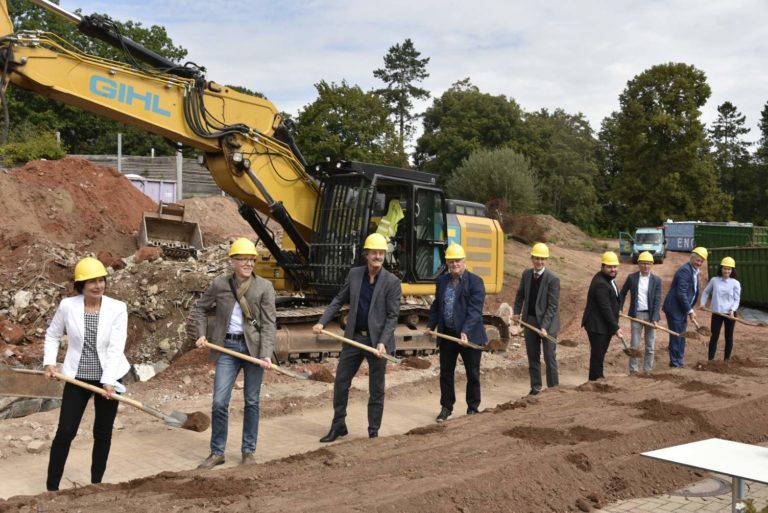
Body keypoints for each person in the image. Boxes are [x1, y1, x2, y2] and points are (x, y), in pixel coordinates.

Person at [43, 257, 130, 492]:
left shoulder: (117, 308)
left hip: (108, 378)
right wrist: (50, 363)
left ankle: (96, 486)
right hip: (76, 376)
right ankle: (52, 488)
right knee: (66, 431)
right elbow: (52, 335)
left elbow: (115, 347)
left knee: (102, 433)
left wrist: (109, 382)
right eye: (91, 281)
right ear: (81, 285)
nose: (98, 285)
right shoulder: (67, 306)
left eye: (101, 280)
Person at [195, 238, 276, 469]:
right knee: (220, 402)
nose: (249, 263)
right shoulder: (220, 284)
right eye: (243, 259)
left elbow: (270, 324)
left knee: (252, 401)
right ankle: (217, 452)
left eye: (252, 259)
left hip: (254, 351)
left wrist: (266, 353)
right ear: (232, 261)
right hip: (227, 348)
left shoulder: (264, 287)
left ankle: (248, 451)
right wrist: (201, 334)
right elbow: (200, 308)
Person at [313, 233, 401, 442]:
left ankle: (373, 431)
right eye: (374, 253)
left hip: (377, 342)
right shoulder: (354, 275)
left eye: (381, 253)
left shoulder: (392, 282)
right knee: (341, 383)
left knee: (376, 388)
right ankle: (338, 425)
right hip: (354, 338)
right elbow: (338, 300)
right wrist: (322, 321)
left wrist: (382, 342)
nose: (378, 256)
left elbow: (392, 316)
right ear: (366, 254)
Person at [426, 243, 487, 422]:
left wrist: (465, 331)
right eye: (451, 261)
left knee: (472, 373)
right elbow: (437, 305)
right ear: (447, 262)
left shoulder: (475, 282)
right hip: (448, 335)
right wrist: (431, 324)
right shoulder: (442, 281)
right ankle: (446, 407)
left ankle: (473, 407)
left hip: (470, 335)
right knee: (446, 372)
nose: (454, 264)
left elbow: (475, 310)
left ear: (464, 261)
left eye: (457, 261)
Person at [513, 242, 560, 396]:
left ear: (546, 260)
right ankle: (536, 387)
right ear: (532, 258)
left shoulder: (553, 279)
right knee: (533, 356)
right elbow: (520, 294)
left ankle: (553, 389)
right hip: (530, 320)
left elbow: (552, 306)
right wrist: (516, 312)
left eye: (542, 259)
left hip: (549, 324)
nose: (539, 262)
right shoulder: (526, 274)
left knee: (549, 357)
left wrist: (544, 326)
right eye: (536, 258)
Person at [662, 247, 707, 368]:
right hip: (675, 309)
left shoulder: (694, 270)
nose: (699, 263)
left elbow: (692, 291)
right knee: (677, 336)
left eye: (701, 261)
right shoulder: (685, 271)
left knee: (682, 335)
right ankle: (675, 363)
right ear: (692, 257)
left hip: (682, 310)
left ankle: (679, 360)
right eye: (698, 260)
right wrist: (690, 310)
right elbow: (681, 293)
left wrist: (688, 309)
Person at [582, 251, 623, 381]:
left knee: (600, 354)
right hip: (597, 326)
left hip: (602, 325)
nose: (613, 269)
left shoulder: (608, 279)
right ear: (603, 266)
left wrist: (618, 311)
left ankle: (597, 377)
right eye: (610, 267)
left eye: (615, 267)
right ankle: (595, 380)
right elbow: (605, 308)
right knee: (597, 355)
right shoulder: (601, 283)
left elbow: (611, 302)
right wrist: (616, 328)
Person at [619, 251, 662, 374]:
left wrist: (654, 318)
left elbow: (657, 300)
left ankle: (647, 370)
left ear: (652, 265)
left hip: (650, 316)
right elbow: (623, 293)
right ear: (638, 264)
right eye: (643, 263)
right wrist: (620, 308)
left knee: (650, 346)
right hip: (636, 315)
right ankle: (634, 370)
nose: (645, 266)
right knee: (635, 345)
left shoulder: (656, 280)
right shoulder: (632, 278)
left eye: (648, 264)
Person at [700, 256, 741, 361]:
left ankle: (726, 360)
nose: (726, 271)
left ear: (732, 270)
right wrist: (702, 303)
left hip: (730, 315)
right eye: (724, 268)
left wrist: (732, 311)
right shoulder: (714, 280)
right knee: (713, 337)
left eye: (729, 269)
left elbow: (737, 300)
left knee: (728, 337)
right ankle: (711, 360)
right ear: (721, 269)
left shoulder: (735, 283)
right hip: (717, 313)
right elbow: (706, 292)